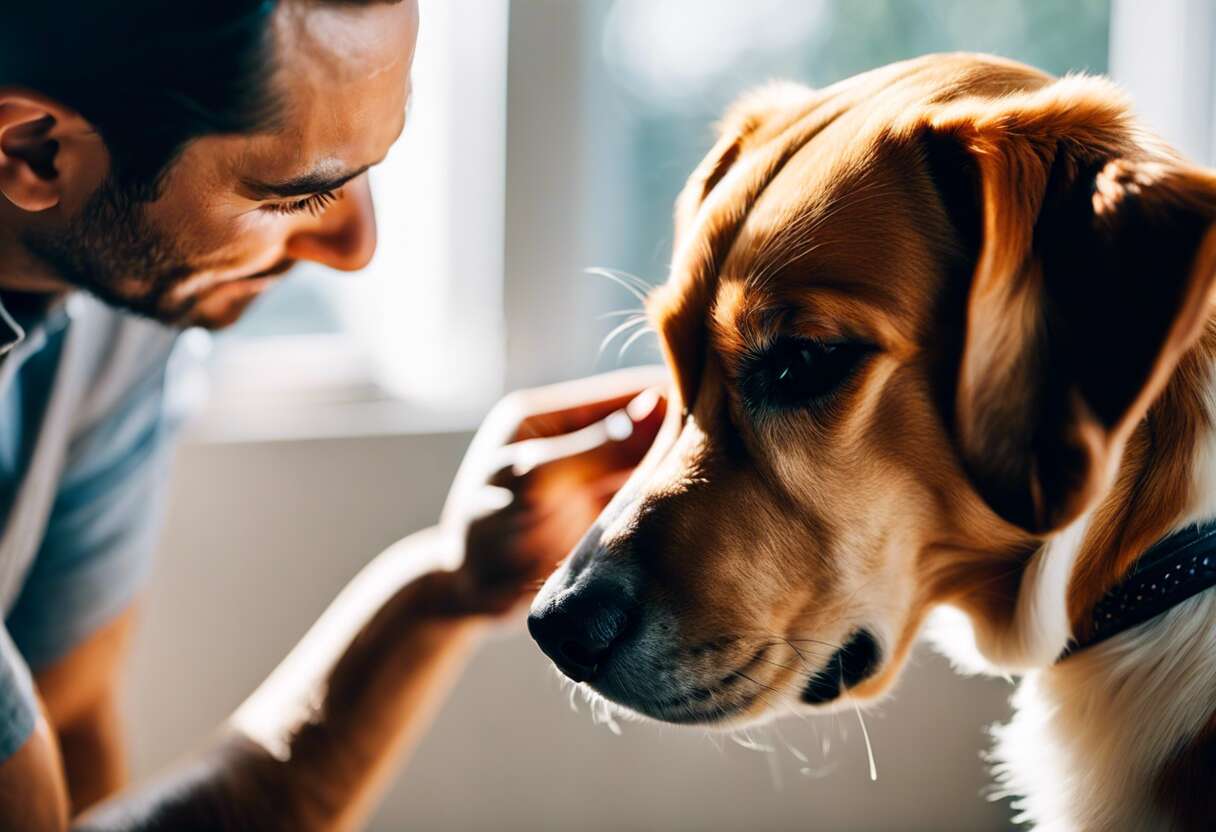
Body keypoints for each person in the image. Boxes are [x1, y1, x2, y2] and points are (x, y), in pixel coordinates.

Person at [0, 1, 665, 828]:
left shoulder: (124, 305)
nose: (358, 246)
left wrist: (446, 585)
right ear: (34, 150)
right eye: (296, 196)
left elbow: (72, 752)